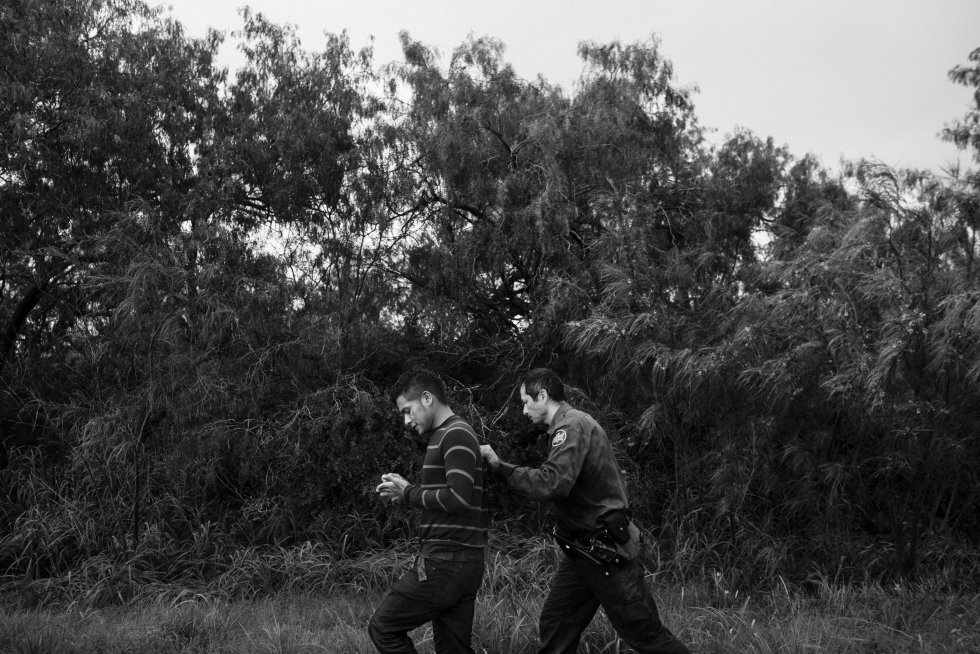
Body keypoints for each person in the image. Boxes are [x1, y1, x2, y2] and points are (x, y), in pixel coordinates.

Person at [480, 368, 690, 654]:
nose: (524, 409)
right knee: (557, 625)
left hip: (605, 553)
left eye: (525, 401)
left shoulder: (572, 426)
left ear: (542, 395)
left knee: (645, 634)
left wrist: (499, 467)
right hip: (581, 550)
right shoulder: (566, 427)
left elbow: (552, 484)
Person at [370, 368, 487, 654]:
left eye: (408, 411)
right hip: (461, 562)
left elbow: (458, 498)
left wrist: (408, 492)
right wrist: (407, 491)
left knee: (383, 627)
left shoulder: (455, 433)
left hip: (446, 563)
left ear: (427, 398)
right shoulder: (447, 434)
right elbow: (452, 494)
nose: (407, 421)